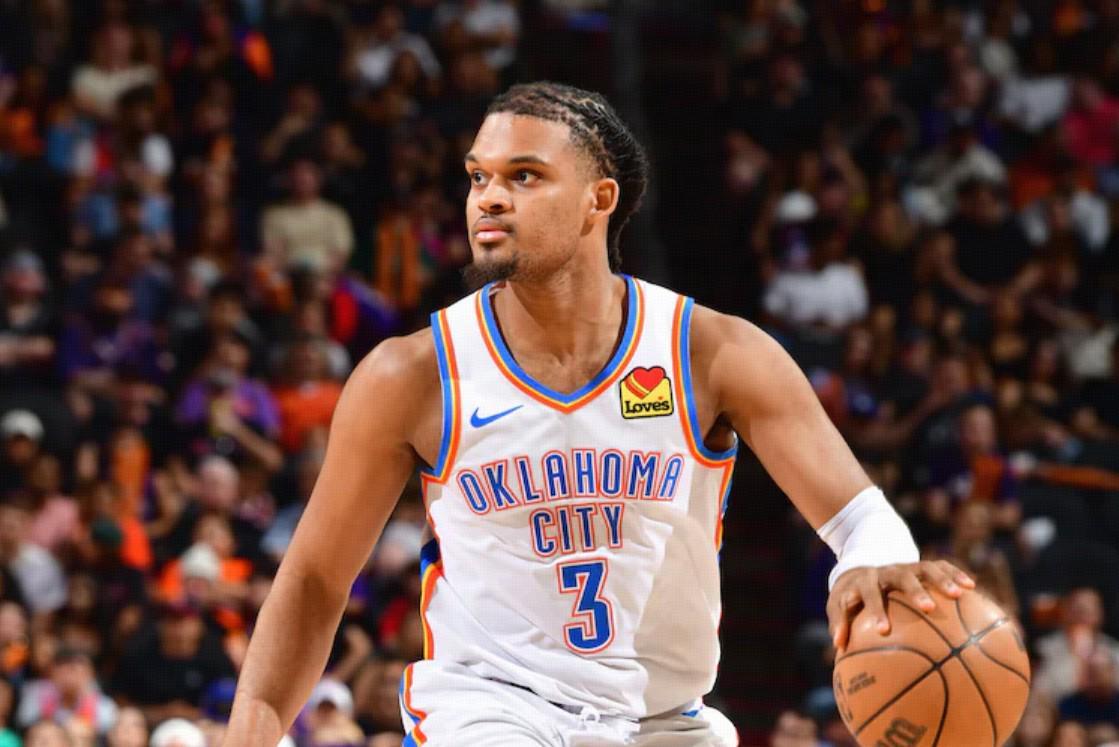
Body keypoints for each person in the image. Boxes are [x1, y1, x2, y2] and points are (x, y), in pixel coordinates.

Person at [227, 82, 973, 745]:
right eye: (479, 177)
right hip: (489, 710)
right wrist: (252, 729)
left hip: (664, 720)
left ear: (599, 198)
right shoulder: (413, 373)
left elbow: (862, 517)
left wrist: (870, 564)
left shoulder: (710, 352)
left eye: (524, 176)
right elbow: (315, 578)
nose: (488, 198)